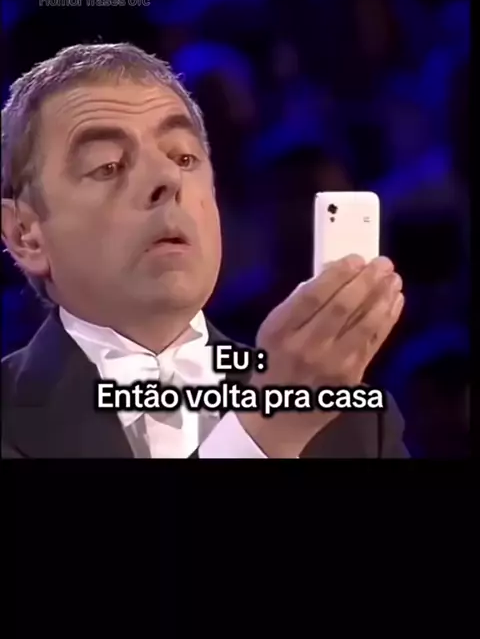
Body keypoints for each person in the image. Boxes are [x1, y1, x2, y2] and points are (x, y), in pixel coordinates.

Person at [1, 43, 407, 459]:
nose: (168, 177)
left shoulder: (356, 426)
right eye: (108, 166)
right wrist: (266, 431)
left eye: (184, 157)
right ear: (25, 234)